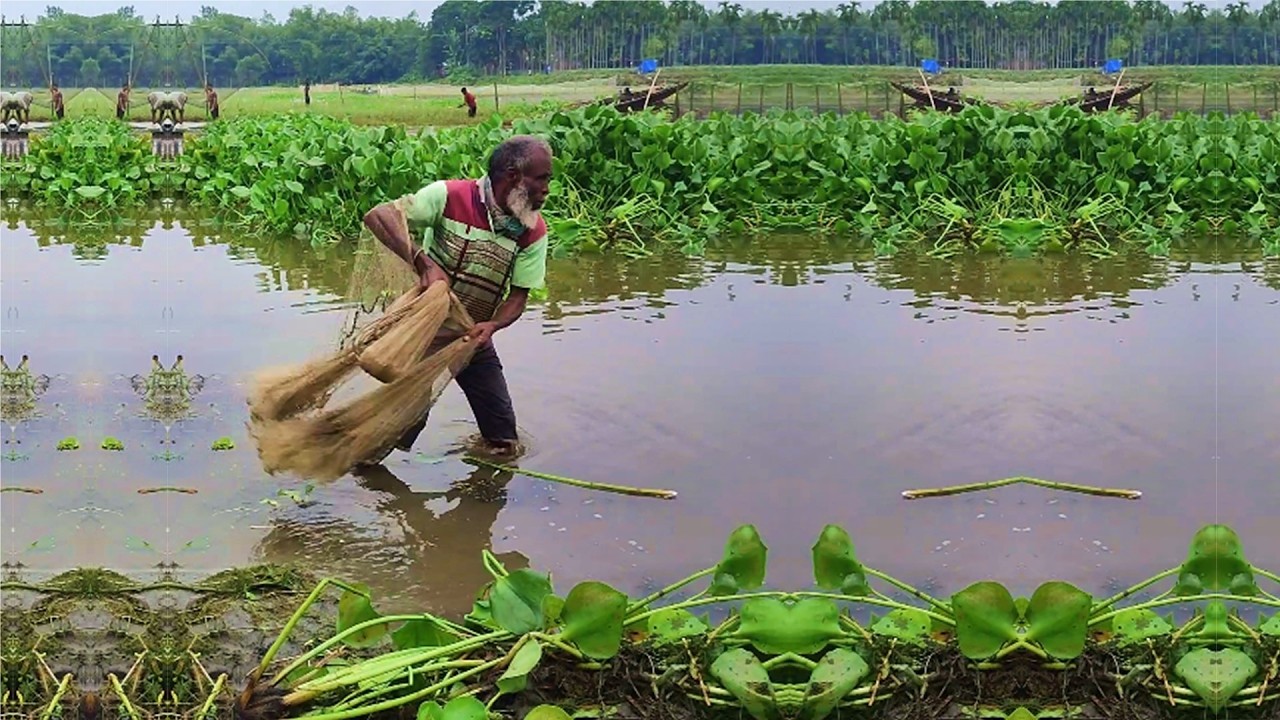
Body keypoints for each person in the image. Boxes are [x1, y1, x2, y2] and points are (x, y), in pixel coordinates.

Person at [359, 135, 553, 466]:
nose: (547, 189)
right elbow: (380, 216)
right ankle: (366, 479)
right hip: (424, 331)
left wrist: (492, 326)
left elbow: (518, 298)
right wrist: (424, 263)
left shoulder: (532, 231)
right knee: (395, 430)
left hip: (472, 335)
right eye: (541, 179)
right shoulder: (449, 197)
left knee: (503, 439)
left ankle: (484, 491)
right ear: (512, 176)